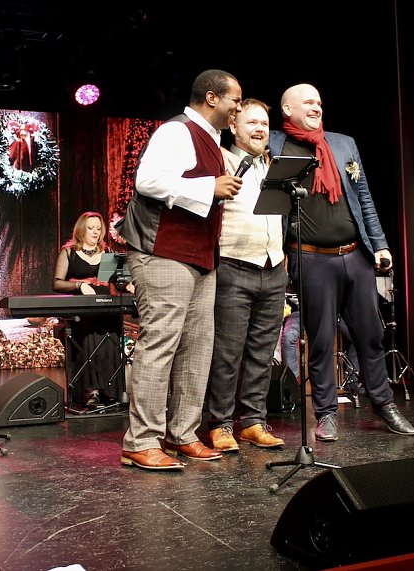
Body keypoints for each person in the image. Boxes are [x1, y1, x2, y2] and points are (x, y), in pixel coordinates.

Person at [268, 83, 414, 441]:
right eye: (308, 102)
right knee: (320, 340)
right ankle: (326, 413)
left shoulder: (343, 143)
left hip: (355, 254)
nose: (316, 107)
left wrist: (380, 244)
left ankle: (384, 403)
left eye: (319, 102)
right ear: (287, 109)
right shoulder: (273, 144)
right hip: (311, 258)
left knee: (371, 334)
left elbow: (364, 197)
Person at [118, 69, 244, 470]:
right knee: (160, 344)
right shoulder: (177, 131)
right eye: (235, 100)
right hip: (164, 252)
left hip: (200, 256)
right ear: (211, 97)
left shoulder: (212, 140)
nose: (239, 108)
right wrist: (210, 187)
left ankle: (182, 433)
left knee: (197, 348)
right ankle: (141, 441)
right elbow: (148, 181)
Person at [205, 98, 287, 452]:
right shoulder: (221, 160)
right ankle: (221, 423)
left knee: (262, 354)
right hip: (234, 266)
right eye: (252, 122)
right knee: (227, 352)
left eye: (264, 124)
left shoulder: (274, 165)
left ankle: (253, 421)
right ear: (233, 126)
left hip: (273, 267)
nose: (259, 129)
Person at [52, 211, 129, 408]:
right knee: (87, 335)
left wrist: (127, 284)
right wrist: (79, 286)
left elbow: (117, 281)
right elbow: (57, 283)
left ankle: (110, 390)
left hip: (105, 308)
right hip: (82, 311)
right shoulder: (69, 253)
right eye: (90, 228)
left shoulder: (108, 253)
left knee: (111, 335)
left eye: (98, 228)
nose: (95, 232)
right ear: (81, 230)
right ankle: (91, 390)